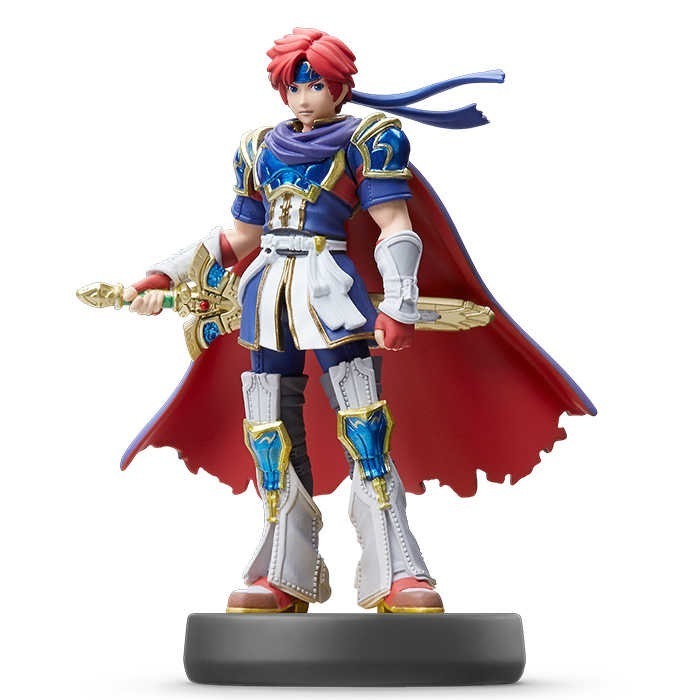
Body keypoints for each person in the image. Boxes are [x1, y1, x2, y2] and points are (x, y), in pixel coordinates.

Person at [120, 27, 596, 615]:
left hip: (332, 293)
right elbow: (240, 235)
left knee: (364, 423)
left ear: (340, 87)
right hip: (266, 296)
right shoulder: (257, 148)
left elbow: (394, 222)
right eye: (293, 87)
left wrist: (399, 301)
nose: (302, 98)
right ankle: (282, 568)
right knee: (267, 428)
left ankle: (395, 566)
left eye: (315, 85)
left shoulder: (367, 140)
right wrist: (163, 275)